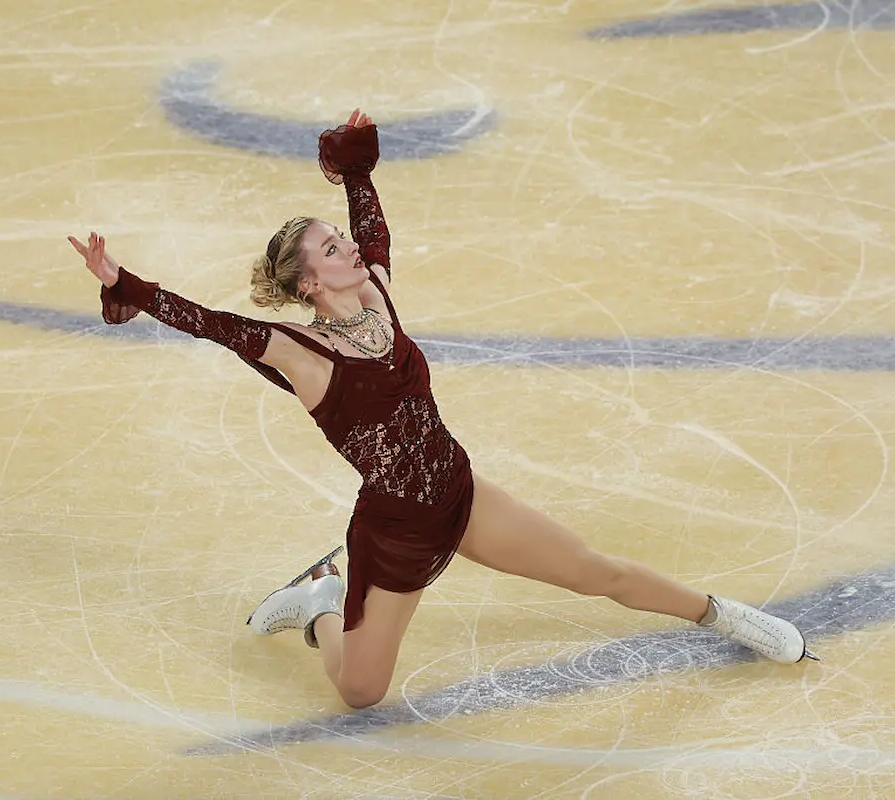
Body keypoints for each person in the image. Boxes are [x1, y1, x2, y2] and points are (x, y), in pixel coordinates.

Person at [69, 109, 817, 711]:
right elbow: (208, 321)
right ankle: (319, 600)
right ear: (306, 283)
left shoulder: (375, 297)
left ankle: (727, 616)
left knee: (598, 571)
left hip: (459, 493)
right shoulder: (296, 350)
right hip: (394, 532)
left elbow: (374, 229)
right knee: (360, 692)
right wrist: (124, 281)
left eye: (341, 240)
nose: (350, 249)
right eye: (332, 249)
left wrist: (357, 171)